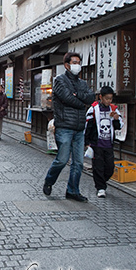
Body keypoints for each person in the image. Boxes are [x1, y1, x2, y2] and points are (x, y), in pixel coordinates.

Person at [43, 52, 95, 201]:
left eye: (79, 62)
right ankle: (49, 180)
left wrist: (76, 95)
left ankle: (72, 190)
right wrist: (81, 102)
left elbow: (91, 98)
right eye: (74, 62)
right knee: (62, 159)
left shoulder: (82, 83)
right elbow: (66, 98)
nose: (77, 65)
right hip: (65, 126)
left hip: (79, 128)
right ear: (66, 65)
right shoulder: (59, 80)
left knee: (78, 162)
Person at [85, 86, 124, 197]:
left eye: (110, 99)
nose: (108, 101)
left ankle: (102, 181)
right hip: (96, 143)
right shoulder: (93, 109)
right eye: (107, 98)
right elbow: (88, 126)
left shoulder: (113, 109)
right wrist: (87, 142)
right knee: (98, 166)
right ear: (101, 97)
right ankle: (100, 188)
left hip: (108, 143)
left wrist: (116, 119)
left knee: (110, 167)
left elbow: (118, 126)